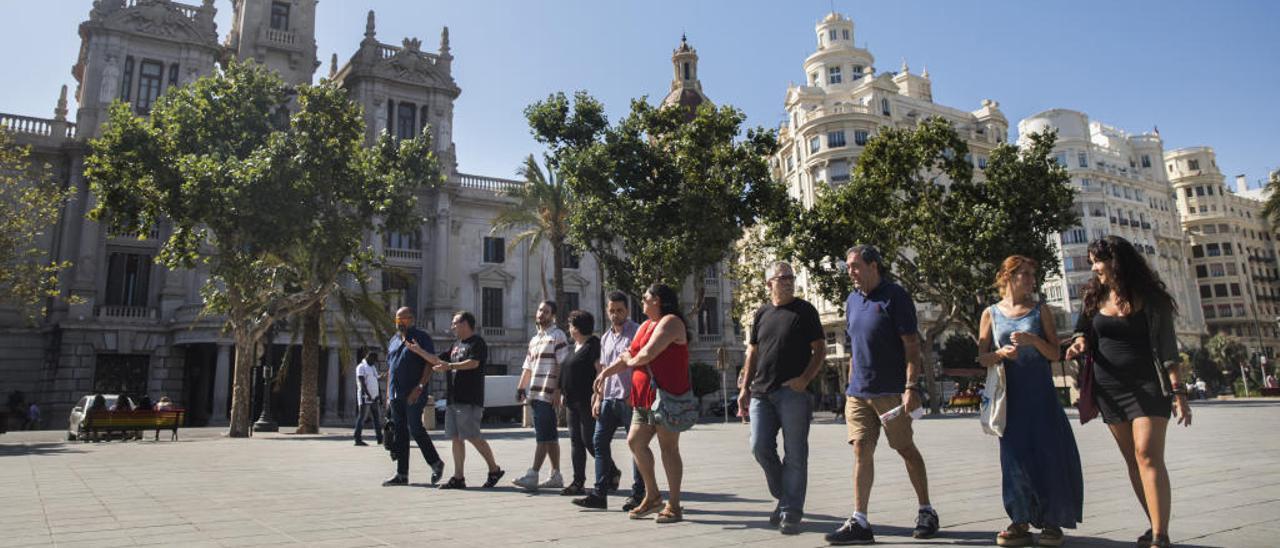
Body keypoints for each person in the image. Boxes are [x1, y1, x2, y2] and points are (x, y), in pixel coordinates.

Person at [1065, 236, 1191, 548]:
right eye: (1092, 261)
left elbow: (1167, 347)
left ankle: (1161, 536)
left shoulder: (1152, 299)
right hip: (1109, 388)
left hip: (1148, 384)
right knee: (1133, 460)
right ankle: (1154, 522)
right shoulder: (1093, 298)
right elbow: (1082, 330)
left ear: (1117, 262)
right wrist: (1079, 342)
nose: (1094, 267)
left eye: (1099, 261)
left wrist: (1179, 393)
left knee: (1148, 453)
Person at [826, 244, 939, 545]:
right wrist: (850, 385)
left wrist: (911, 387)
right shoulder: (851, 300)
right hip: (858, 394)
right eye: (848, 266)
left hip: (890, 394)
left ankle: (926, 510)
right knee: (861, 449)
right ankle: (860, 520)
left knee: (905, 448)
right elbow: (854, 347)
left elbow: (912, 347)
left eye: (854, 265)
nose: (849, 271)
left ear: (873, 265)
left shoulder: (895, 296)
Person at [976, 255, 1083, 546]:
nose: (1031, 280)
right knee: (1013, 460)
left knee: (1048, 455)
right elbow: (982, 356)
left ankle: (1052, 522)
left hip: (1041, 395)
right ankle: (1019, 520)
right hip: (1010, 398)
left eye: (1032, 275)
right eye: (1025, 274)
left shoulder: (1040, 310)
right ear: (1008, 277)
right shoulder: (990, 313)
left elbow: (1054, 353)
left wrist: (1033, 341)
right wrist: (1000, 355)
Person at [737, 261, 826, 535]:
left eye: (791, 277)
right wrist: (744, 387)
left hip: (793, 394)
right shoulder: (761, 313)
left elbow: (820, 350)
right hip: (761, 393)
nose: (788, 281)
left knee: (796, 454)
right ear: (769, 284)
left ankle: (791, 511)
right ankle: (785, 496)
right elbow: (752, 353)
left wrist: (804, 380)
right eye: (782, 277)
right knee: (759, 447)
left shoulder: (805, 311)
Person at [621, 283, 691, 524]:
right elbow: (629, 354)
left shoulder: (671, 322)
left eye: (646, 297)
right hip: (645, 398)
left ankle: (674, 504)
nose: (641, 300)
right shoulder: (645, 325)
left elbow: (645, 355)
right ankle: (652, 496)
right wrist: (604, 374)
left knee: (668, 448)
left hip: (667, 396)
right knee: (635, 441)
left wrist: (630, 360)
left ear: (658, 300)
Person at [575, 292, 644, 511]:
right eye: (612, 311)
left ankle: (638, 494)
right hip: (608, 400)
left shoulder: (637, 332)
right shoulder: (605, 338)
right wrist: (598, 398)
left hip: (630, 400)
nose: (615, 315)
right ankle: (599, 493)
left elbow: (640, 365)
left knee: (636, 446)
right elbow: (603, 370)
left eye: (619, 310)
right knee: (598, 443)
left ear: (628, 310)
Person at [429, 311, 504, 490]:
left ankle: (494, 469)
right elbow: (438, 360)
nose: (452, 326)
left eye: (455, 323)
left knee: (472, 436)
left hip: (470, 399)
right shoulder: (455, 345)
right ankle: (458, 477)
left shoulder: (477, 342)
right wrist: (417, 350)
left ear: (465, 324)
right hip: (453, 399)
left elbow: (473, 363)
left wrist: (451, 366)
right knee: (456, 438)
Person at [382, 306, 446, 486]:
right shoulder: (394, 340)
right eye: (397, 319)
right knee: (400, 432)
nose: (399, 322)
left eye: (402, 319)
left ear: (411, 319)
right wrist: (388, 395)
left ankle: (435, 463)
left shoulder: (421, 338)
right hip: (396, 394)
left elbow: (429, 364)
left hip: (414, 394)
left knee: (415, 428)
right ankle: (402, 474)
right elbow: (391, 369)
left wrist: (419, 388)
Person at [512, 301, 568, 491]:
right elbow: (528, 366)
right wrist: (521, 388)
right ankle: (556, 475)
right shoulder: (534, 339)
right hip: (535, 393)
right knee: (550, 436)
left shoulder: (557, 336)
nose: (541, 314)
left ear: (553, 316)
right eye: (540, 310)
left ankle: (533, 473)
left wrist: (558, 390)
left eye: (546, 311)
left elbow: (562, 364)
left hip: (548, 392)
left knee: (543, 436)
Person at [557, 310, 601, 496]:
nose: (569, 328)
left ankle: (611, 472)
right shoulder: (574, 346)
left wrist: (598, 396)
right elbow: (566, 370)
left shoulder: (593, 345)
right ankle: (578, 481)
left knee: (589, 441)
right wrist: (561, 391)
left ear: (577, 327)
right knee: (576, 441)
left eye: (570, 325)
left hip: (586, 400)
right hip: (571, 400)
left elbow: (600, 371)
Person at [353, 351, 384, 446]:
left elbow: (375, 380)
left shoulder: (373, 367)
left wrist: (380, 395)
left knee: (376, 418)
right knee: (362, 418)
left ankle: (380, 439)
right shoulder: (361, 367)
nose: (374, 362)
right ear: (369, 357)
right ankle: (357, 439)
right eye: (373, 360)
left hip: (374, 397)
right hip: (365, 397)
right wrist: (368, 394)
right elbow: (362, 382)